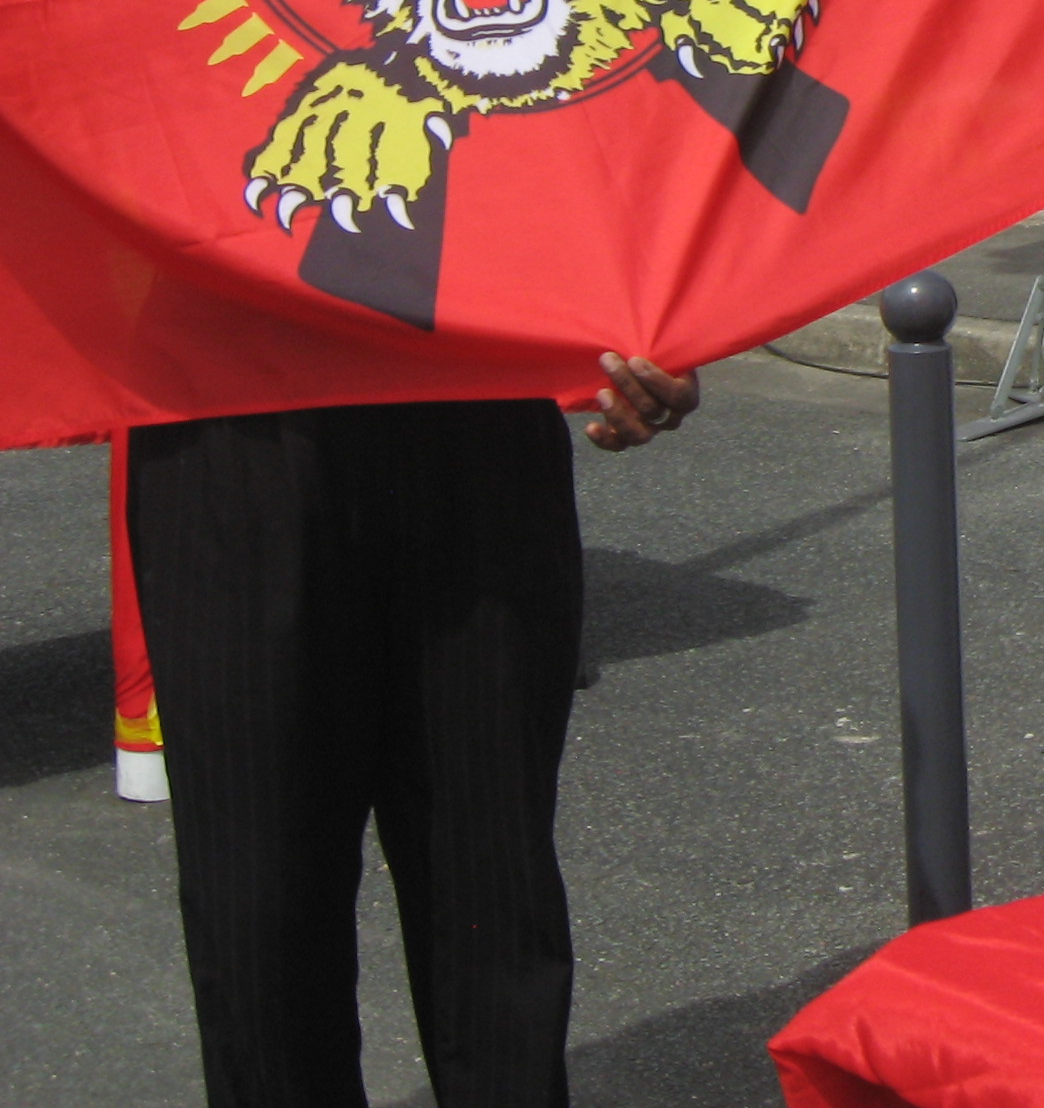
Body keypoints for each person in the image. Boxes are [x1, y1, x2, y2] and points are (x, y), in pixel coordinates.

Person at [124, 358, 698, 1107]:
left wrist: (662, 334)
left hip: (475, 417)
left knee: (492, 890)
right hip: (227, 422)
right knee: (258, 913)